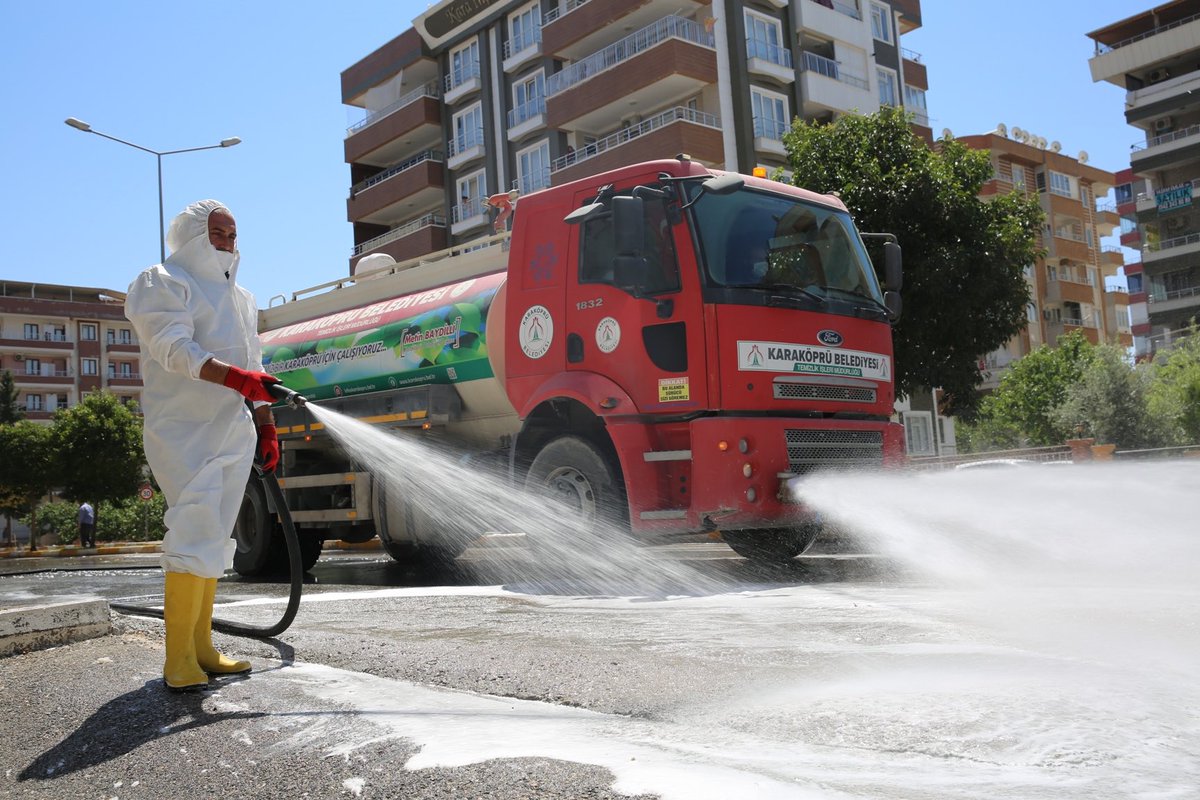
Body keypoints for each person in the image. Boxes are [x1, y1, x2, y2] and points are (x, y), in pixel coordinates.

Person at [125, 200, 281, 692]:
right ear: (192, 236)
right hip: (184, 429)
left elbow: (255, 361)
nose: (228, 242)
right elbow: (173, 348)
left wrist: (266, 421)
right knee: (193, 528)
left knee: (214, 535)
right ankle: (177, 661)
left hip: (232, 428)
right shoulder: (163, 281)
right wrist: (238, 380)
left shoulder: (243, 298)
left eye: (233, 234)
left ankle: (202, 648)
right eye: (218, 233)